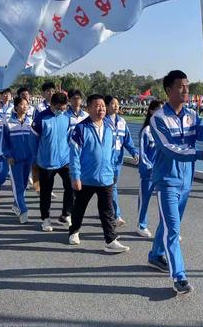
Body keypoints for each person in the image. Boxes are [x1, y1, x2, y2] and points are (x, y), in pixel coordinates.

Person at [147, 70, 203, 294]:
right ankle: (179, 277)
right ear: (169, 90)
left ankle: (154, 255)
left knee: (168, 224)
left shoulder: (190, 114)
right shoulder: (158, 118)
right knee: (173, 228)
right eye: (181, 87)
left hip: (186, 181)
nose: (186, 90)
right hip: (167, 180)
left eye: (187, 86)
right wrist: (200, 155)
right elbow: (170, 149)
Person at [68, 94, 130, 253]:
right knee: (79, 208)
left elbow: (111, 153)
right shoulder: (80, 129)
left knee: (107, 211)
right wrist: (75, 176)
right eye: (97, 106)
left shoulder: (110, 128)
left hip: (106, 178)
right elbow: (74, 155)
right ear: (88, 108)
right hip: (86, 179)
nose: (101, 109)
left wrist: (112, 171)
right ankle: (74, 231)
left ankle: (110, 240)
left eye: (103, 105)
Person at [31, 91, 73, 232]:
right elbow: (33, 141)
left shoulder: (66, 118)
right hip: (46, 162)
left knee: (71, 186)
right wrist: (35, 160)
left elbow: (68, 139)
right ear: (52, 105)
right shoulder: (40, 119)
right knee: (46, 192)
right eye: (60, 108)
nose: (62, 110)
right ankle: (46, 219)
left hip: (64, 160)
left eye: (64, 108)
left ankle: (66, 214)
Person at [105, 94, 139, 227]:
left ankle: (109, 211)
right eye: (113, 103)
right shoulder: (103, 121)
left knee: (111, 187)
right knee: (111, 187)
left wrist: (134, 152)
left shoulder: (122, 122)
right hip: (105, 160)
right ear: (107, 106)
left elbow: (127, 140)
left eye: (117, 104)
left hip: (117, 160)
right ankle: (116, 214)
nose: (116, 106)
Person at [4, 96, 34, 224]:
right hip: (15, 160)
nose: (25, 107)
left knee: (24, 185)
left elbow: (34, 140)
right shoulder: (8, 122)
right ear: (16, 107)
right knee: (17, 186)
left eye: (26, 105)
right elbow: (4, 142)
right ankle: (23, 210)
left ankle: (16, 205)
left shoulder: (31, 122)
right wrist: (8, 155)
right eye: (22, 105)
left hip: (28, 159)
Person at [137, 100, 163, 238]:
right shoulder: (146, 131)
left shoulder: (164, 129)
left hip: (162, 173)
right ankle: (141, 225)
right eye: (158, 109)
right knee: (145, 200)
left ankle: (167, 228)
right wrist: (150, 169)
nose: (161, 112)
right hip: (149, 173)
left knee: (164, 203)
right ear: (151, 111)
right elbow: (142, 153)